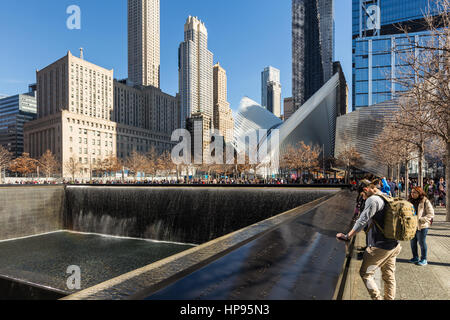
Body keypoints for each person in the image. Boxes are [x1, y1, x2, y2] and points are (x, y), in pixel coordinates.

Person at [336, 179, 402, 300]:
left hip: (380, 246)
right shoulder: (384, 195)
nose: (363, 198)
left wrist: (347, 236)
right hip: (394, 244)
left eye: (362, 195)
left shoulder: (373, 200)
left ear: (366, 190)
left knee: (365, 273)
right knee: (389, 276)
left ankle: (377, 298)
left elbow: (362, 220)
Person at [408, 187, 435, 266]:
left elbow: (431, 214)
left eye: (414, 192)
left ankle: (424, 259)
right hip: (412, 226)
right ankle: (415, 257)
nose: (412, 194)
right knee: (412, 242)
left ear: (419, 193)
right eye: (411, 192)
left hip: (422, 226)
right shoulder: (410, 201)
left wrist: (421, 219)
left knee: (421, 242)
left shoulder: (425, 201)